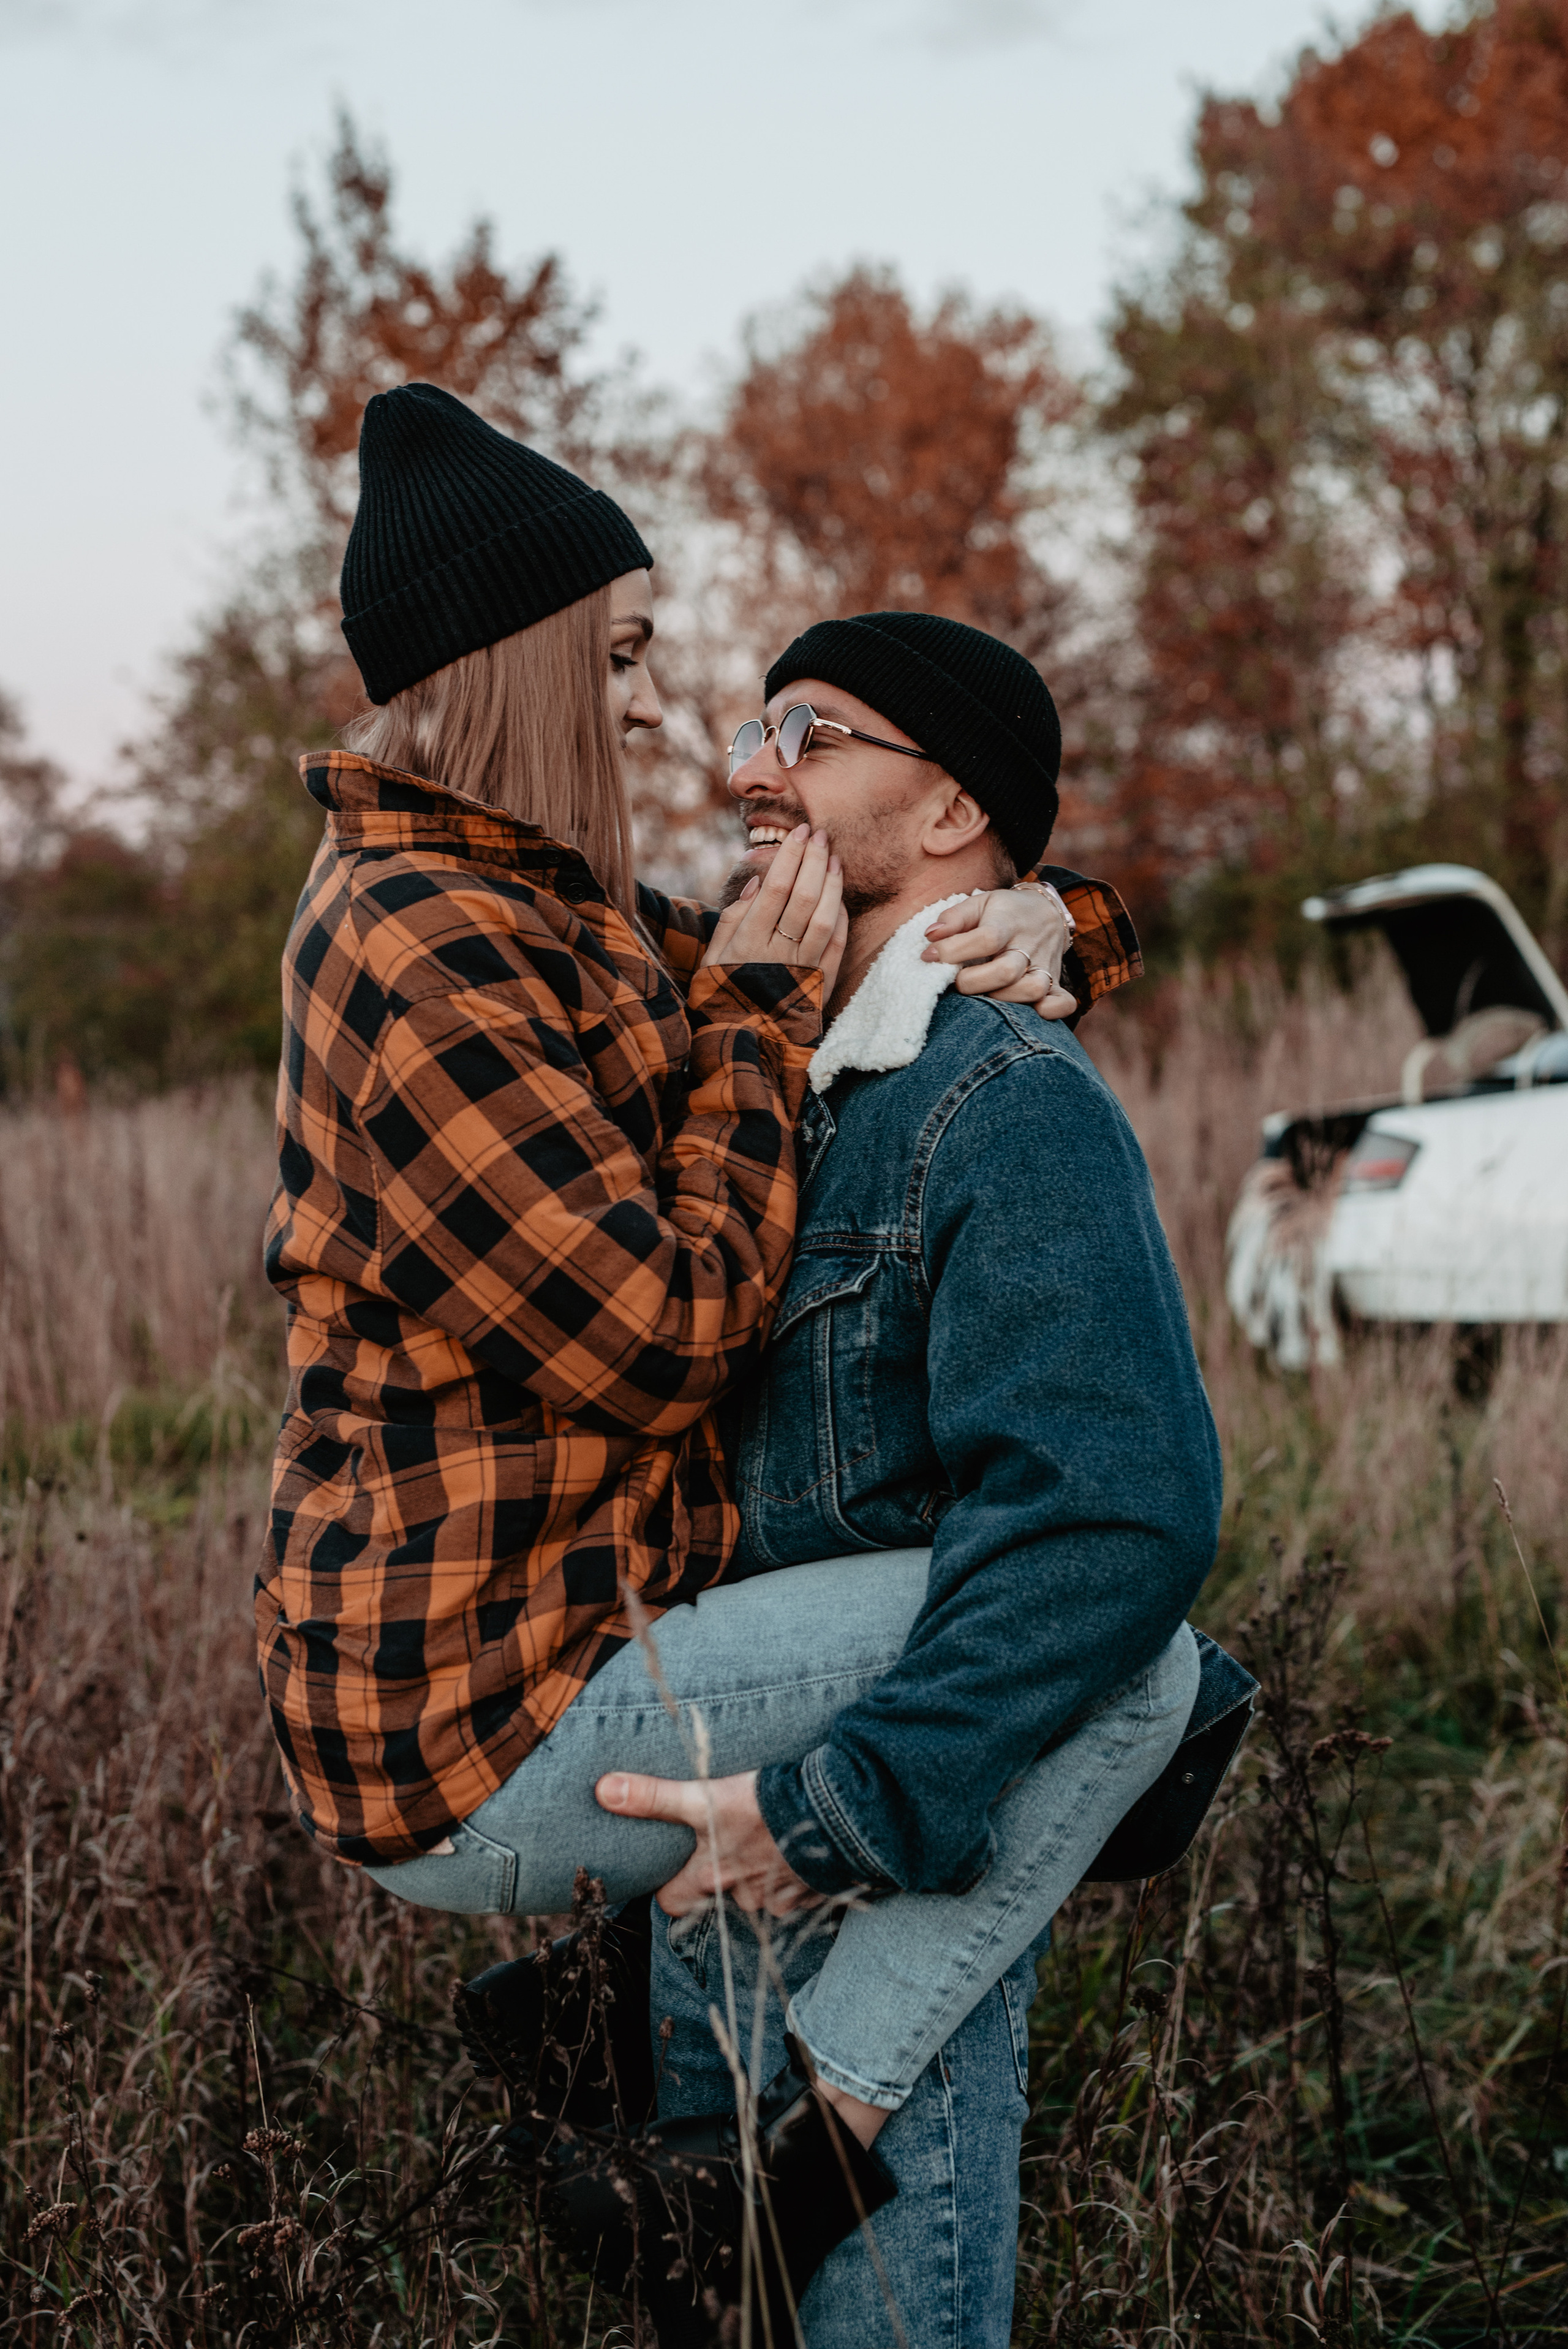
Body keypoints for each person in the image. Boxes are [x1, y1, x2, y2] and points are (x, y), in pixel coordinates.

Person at [254, 382, 1091, 2274]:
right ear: (525, 658)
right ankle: (808, 2139)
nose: (655, 707)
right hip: (481, 1721)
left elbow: (868, 927)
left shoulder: (553, 901)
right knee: (1090, 1641)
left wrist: (1057, 920)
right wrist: (751, 1022)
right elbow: (665, 1336)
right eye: (624, 656)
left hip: (590, 1633)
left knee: (1057, 1659)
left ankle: (638, 2034)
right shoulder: (412, 939)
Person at [562, 615, 1256, 2347]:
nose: (748, 765)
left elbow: (1112, 1519)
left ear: (950, 809)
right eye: (753, 726)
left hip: (874, 1884)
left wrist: (828, 1826)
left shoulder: (1005, 1102)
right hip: (704, 1881)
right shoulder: (759, 1074)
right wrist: (1071, 913)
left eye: (807, 733)